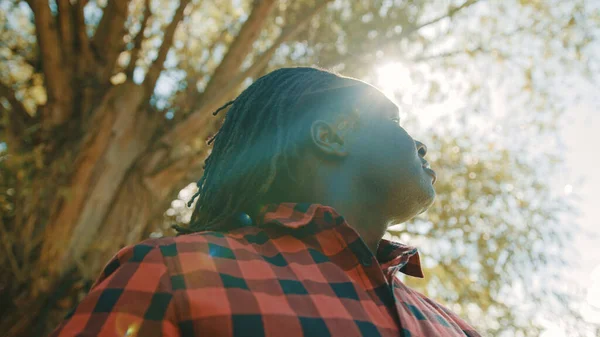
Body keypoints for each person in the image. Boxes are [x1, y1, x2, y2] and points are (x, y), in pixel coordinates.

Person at [50, 67, 481, 336]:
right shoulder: (170, 274)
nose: (420, 144)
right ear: (329, 137)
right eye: (389, 119)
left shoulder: (456, 328)